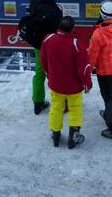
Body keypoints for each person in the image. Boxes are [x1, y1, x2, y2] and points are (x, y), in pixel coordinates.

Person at [40, 16, 92, 149]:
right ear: (73, 29)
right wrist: (87, 84)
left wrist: (49, 74)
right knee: (75, 110)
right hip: (74, 88)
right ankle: (73, 137)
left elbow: (43, 61)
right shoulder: (76, 44)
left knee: (56, 109)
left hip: (56, 85)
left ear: (58, 27)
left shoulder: (48, 39)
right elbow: (84, 68)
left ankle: (55, 135)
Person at [88, 1, 112, 141]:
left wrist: (87, 70)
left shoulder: (98, 34)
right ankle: (110, 114)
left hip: (106, 71)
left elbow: (92, 56)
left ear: (102, 15)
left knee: (108, 98)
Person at [29, 0, 63, 115]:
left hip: (37, 43)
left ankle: (38, 103)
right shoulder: (53, 9)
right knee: (55, 72)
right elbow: (59, 26)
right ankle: (61, 102)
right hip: (50, 45)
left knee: (39, 72)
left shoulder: (33, 0)